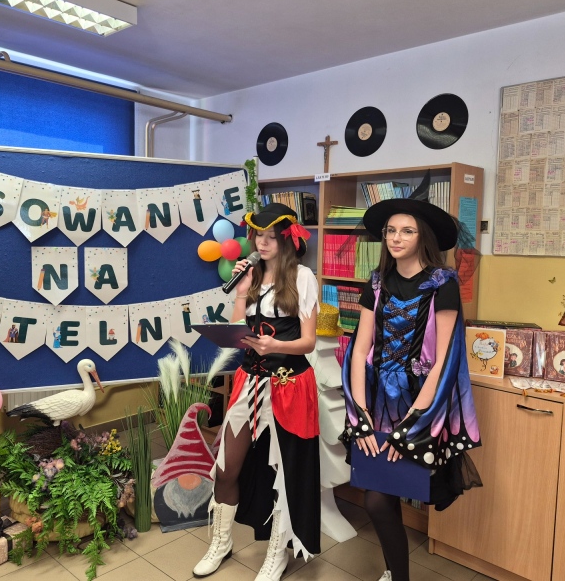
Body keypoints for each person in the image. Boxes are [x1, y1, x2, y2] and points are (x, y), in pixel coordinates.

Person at [340, 173, 482, 581]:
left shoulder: (443, 284)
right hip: (377, 402)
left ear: (423, 238)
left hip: (423, 405)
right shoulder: (376, 283)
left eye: (407, 231)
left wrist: (412, 426)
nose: (396, 238)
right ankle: (396, 575)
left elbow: (444, 361)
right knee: (378, 497)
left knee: (388, 494)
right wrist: (359, 416)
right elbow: (359, 350)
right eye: (390, 230)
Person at [193, 203, 320, 581]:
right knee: (227, 467)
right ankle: (221, 542)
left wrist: (275, 346)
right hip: (250, 381)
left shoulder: (303, 277)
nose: (262, 244)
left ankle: (276, 555)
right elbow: (238, 329)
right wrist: (241, 292)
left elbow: (309, 342)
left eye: (270, 237)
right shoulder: (251, 274)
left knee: (283, 474)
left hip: (289, 383)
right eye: (258, 236)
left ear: (287, 240)